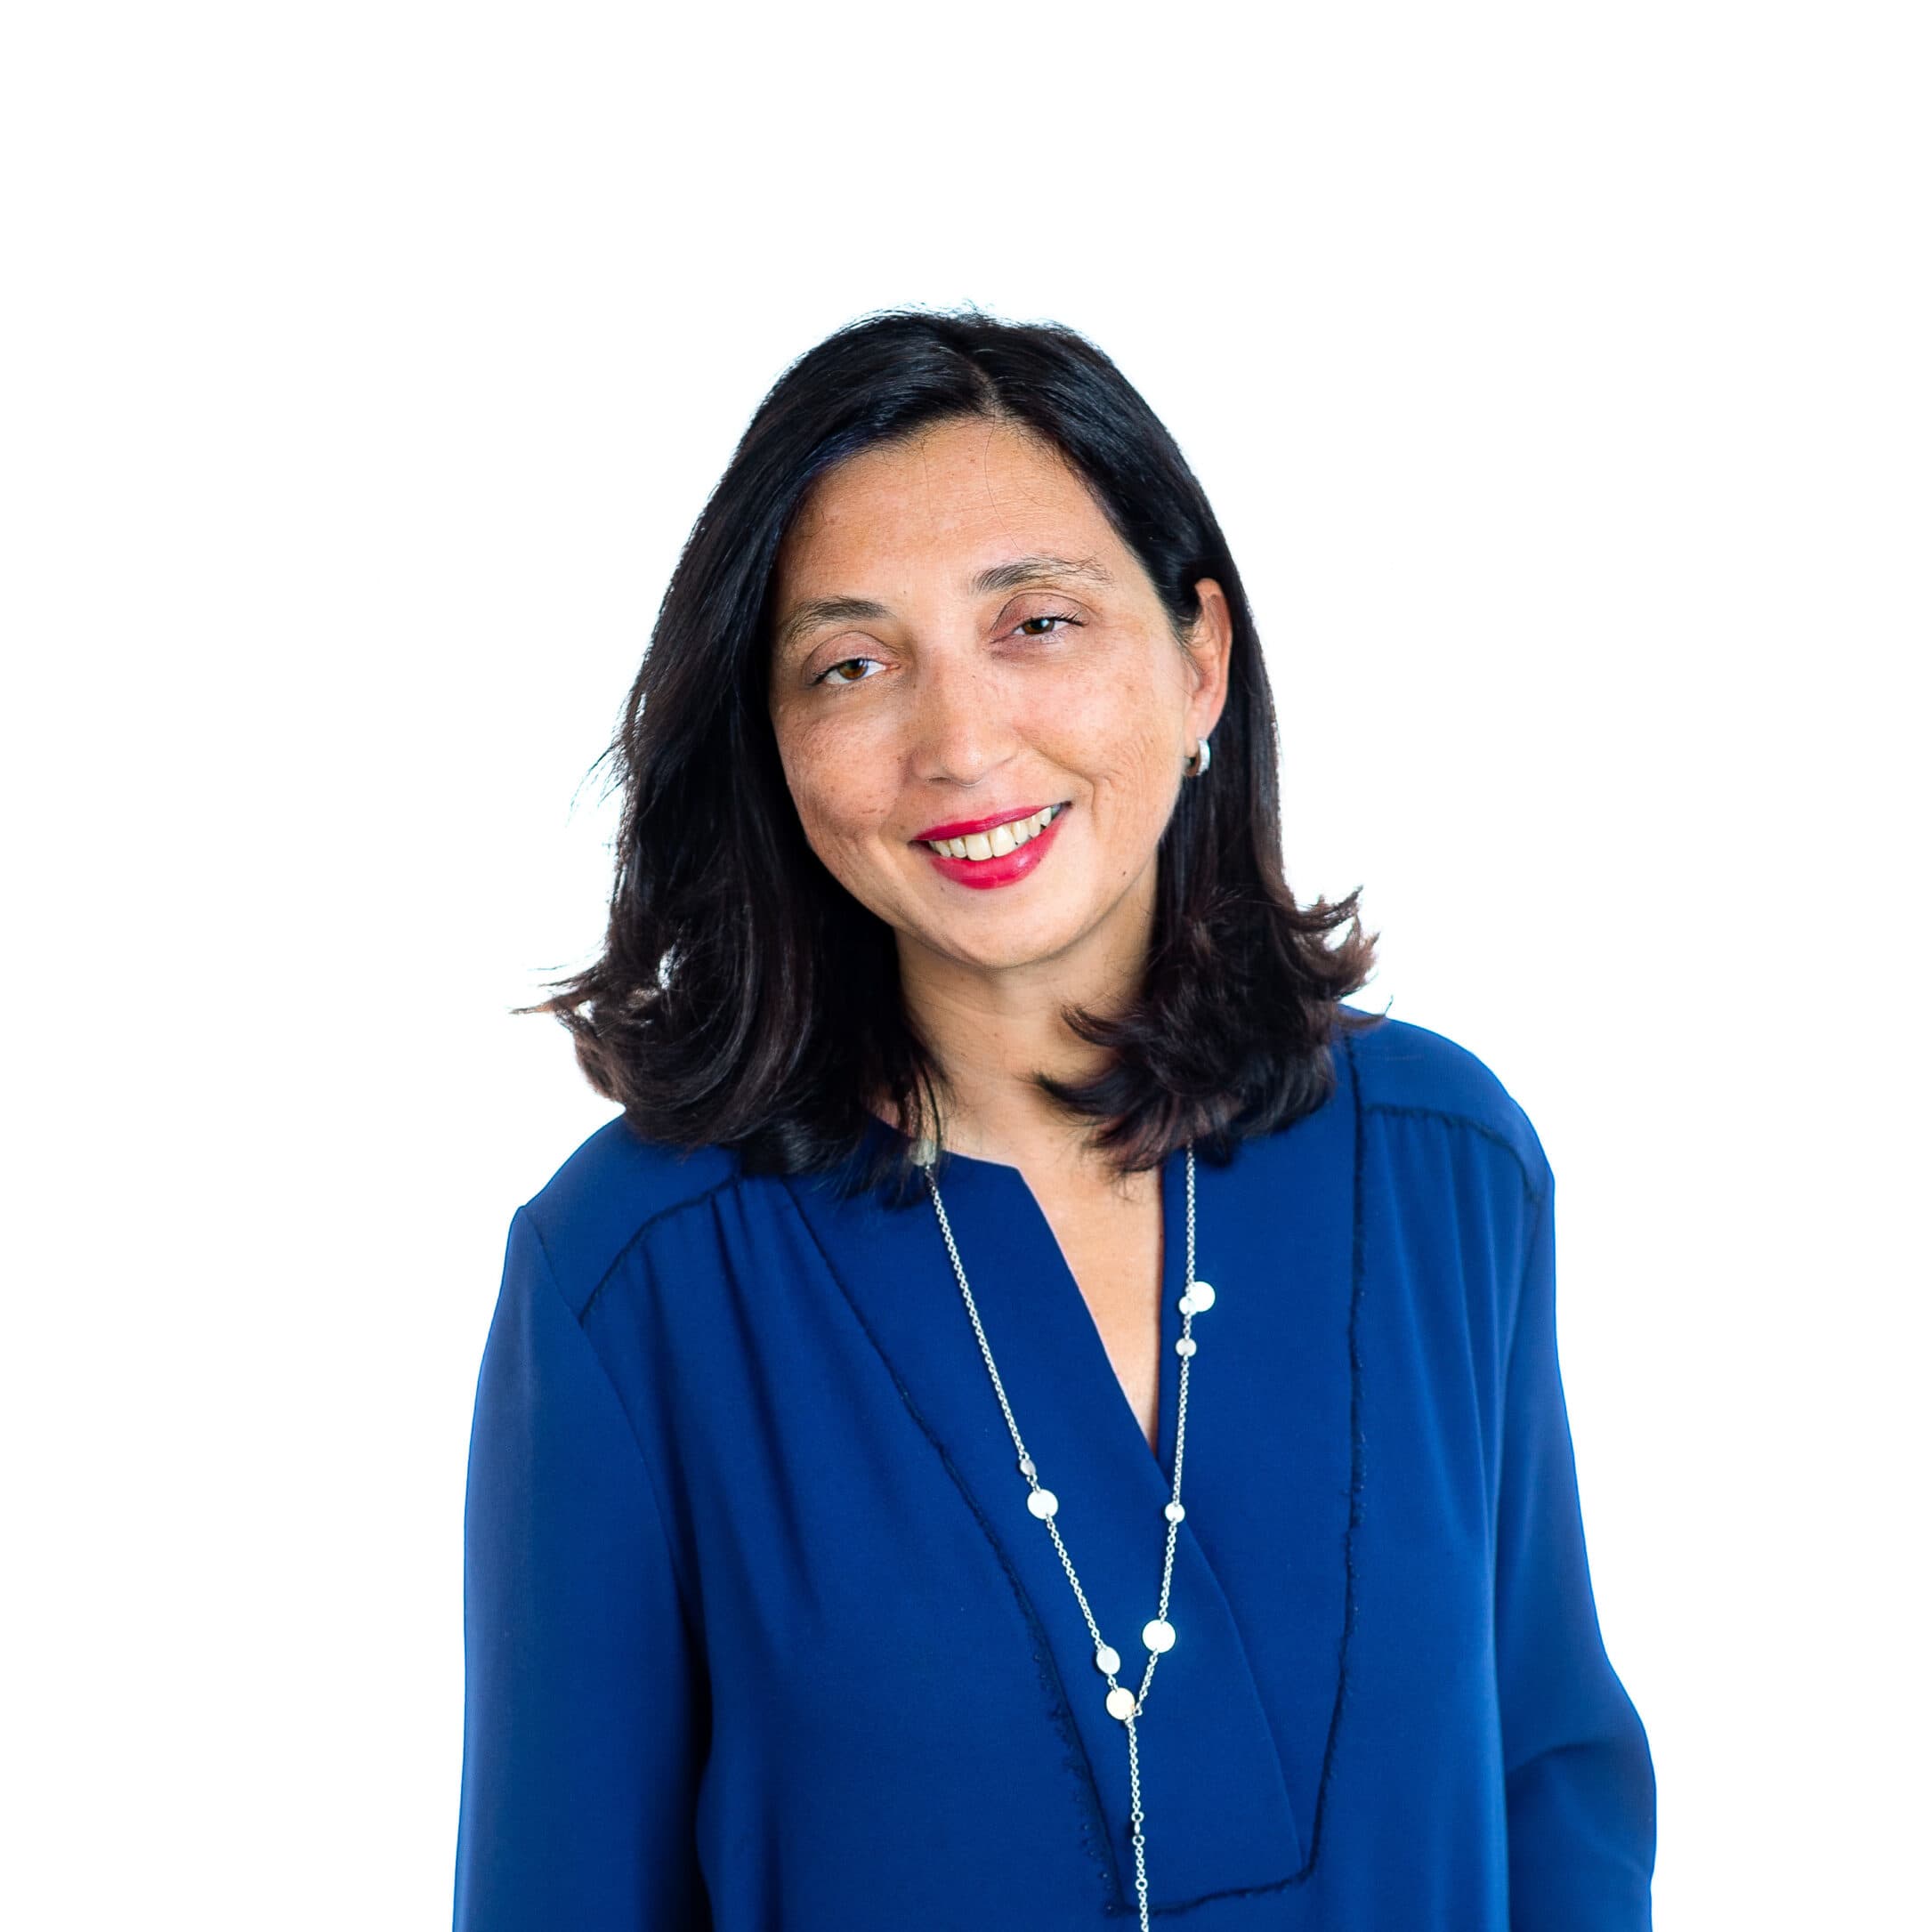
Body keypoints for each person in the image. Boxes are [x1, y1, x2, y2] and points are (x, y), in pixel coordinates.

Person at [451, 307, 1656, 1930]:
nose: (960, 745)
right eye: (854, 664)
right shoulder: (635, 1277)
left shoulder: (1444, 1164)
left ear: (1200, 658)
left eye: (1036, 622)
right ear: (776, 745)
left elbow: (1554, 1797)